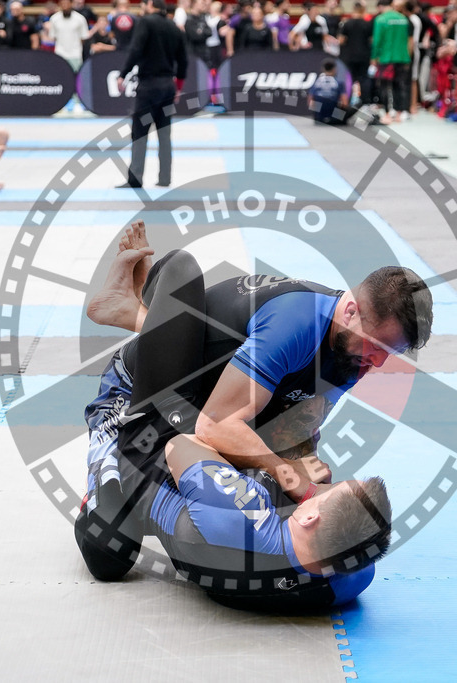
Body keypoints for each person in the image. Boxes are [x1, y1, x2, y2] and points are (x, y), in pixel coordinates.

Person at [75, 225, 416, 609]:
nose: (379, 362)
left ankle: (139, 316)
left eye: (393, 352)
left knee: (288, 476)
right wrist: (294, 478)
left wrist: (298, 468)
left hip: (206, 406)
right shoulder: (296, 321)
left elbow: (295, 430)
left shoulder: (353, 353)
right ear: (351, 312)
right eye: (379, 346)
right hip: (139, 393)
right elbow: (212, 428)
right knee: (183, 269)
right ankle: (137, 310)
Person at [116, 0, 188, 189]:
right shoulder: (174, 27)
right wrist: (178, 86)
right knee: (164, 134)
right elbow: (183, 61)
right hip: (167, 85)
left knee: (140, 133)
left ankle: (135, 178)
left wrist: (123, 73)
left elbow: (136, 49)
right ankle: (165, 178)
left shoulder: (146, 22)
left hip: (149, 85)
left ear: (150, 5)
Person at [372, 0, 413, 123]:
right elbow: (409, 40)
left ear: (381, 6)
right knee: (400, 85)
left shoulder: (381, 19)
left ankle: (387, 113)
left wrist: (374, 57)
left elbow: (377, 40)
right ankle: (400, 112)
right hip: (402, 57)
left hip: (386, 58)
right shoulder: (403, 19)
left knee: (384, 86)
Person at [44, 0, 91, 71]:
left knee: (75, 78)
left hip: (75, 55)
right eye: (63, 4)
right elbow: (53, 37)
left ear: (71, 4)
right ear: (60, 5)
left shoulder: (80, 19)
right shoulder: (54, 19)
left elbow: (83, 38)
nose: (65, 6)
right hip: (60, 54)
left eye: (67, 4)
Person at [309, 57, 349, 122]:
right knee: (354, 106)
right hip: (335, 118)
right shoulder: (339, 82)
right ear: (334, 69)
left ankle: (321, 117)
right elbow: (345, 103)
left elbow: (310, 101)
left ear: (323, 69)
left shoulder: (317, 81)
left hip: (319, 117)